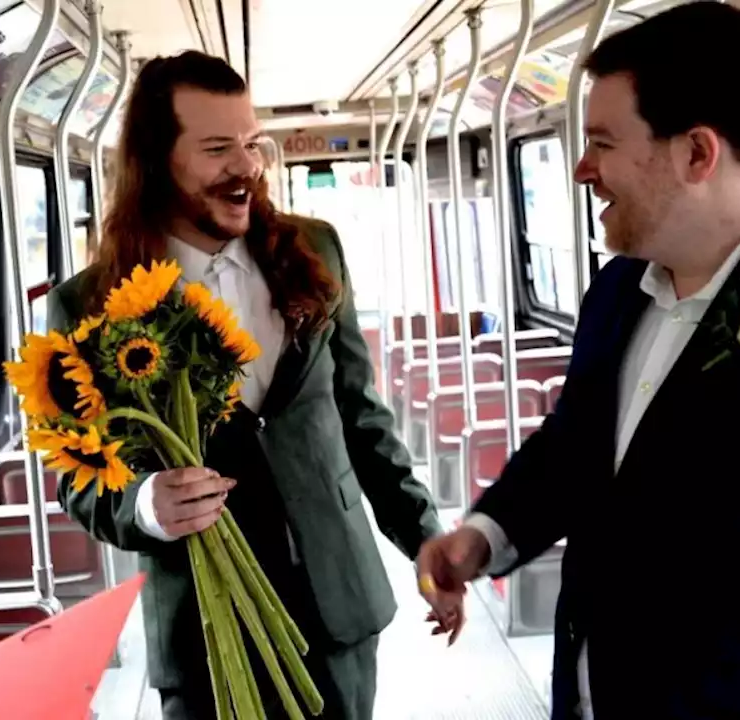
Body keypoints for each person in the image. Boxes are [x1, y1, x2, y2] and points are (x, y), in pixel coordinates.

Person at [416, 3, 740, 718]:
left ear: (696, 153)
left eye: (601, 142)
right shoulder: (620, 289)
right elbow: (578, 447)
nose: (582, 169)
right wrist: (483, 536)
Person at [48, 50, 454, 720]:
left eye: (250, 143)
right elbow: (83, 478)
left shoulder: (315, 250)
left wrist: (426, 541)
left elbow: (360, 419)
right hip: (208, 629)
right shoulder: (89, 308)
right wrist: (146, 504)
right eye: (216, 149)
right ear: (155, 162)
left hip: (339, 603)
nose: (246, 167)